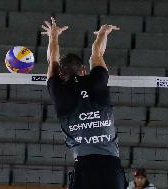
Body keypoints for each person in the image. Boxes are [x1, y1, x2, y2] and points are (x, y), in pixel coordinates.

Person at [41, 17, 127, 189]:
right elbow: (97, 53)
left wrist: (53, 35)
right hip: (111, 166)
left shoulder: (59, 91)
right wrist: (103, 32)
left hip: (84, 167)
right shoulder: (97, 81)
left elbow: (52, 61)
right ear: (83, 70)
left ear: (60, 74)